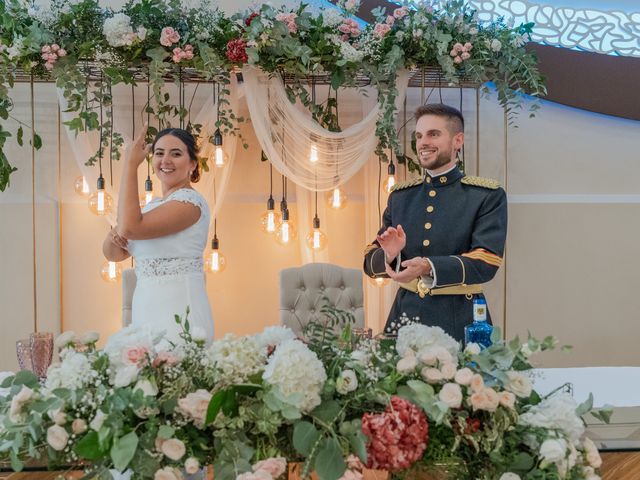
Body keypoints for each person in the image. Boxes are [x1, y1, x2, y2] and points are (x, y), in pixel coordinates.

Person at [364, 104, 507, 341]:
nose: (423, 142)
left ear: (457, 141)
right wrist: (390, 256)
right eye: (419, 136)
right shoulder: (400, 196)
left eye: (433, 134)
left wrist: (429, 266)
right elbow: (369, 262)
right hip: (404, 319)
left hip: (461, 320)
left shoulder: (486, 196)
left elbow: (486, 261)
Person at [103, 126, 214, 343]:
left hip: (181, 313)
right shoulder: (151, 207)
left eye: (176, 153)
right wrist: (112, 236)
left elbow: (129, 228)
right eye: (160, 153)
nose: (165, 160)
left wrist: (130, 165)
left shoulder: (190, 203)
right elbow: (113, 254)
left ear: (193, 163)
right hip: (146, 309)